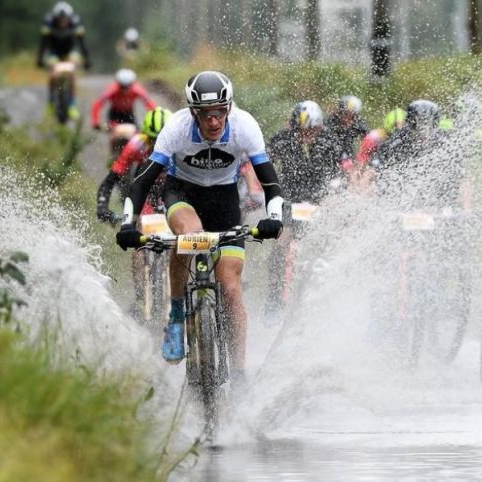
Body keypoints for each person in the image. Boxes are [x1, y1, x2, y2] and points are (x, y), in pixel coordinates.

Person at [115, 71, 284, 377]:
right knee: (190, 237)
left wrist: (275, 218)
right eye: (206, 114)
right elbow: (142, 183)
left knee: (231, 289)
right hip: (183, 193)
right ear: (193, 112)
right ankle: (177, 317)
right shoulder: (176, 128)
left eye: (220, 112)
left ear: (229, 108)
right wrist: (129, 223)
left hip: (224, 200)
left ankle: (239, 375)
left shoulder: (245, 126)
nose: (214, 121)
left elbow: (271, 184)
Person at [262, 101, 343, 317]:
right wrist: (263, 190)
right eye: (300, 131)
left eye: (310, 131)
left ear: (319, 127)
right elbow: (263, 163)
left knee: (330, 247)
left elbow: (348, 170)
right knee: (280, 245)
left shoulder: (331, 141)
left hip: (321, 201)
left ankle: (331, 297)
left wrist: (339, 195)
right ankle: (274, 297)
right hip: (289, 201)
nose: (305, 135)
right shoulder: (282, 139)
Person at [96, 107, 172, 224]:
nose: (157, 145)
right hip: (147, 185)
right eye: (152, 140)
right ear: (145, 135)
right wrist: (102, 206)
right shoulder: (136, 145)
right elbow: (110, 180)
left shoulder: (181, 146)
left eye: (163, 140)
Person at [36, 1, 91, 120]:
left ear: (69, 18)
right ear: (56, 18)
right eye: (60, 19)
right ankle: (51, 103)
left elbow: (82, 44)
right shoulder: (48, 23)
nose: (63, 22)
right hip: (53, 52)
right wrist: (39, 59)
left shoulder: (76, 23)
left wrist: (87, 59)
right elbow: (43, 44)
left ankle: (72, 105)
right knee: (53, 75)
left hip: (70, 52)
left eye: (65, 19)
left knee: (71, 74)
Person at [326, 95, 369, 167]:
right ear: (340, 112)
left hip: (348, 150)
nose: (349, 119)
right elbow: (334, 146)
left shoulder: (358, 123)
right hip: (331, 154)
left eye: (353, 115)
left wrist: (364, 156)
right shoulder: (331, 123)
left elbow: (369, 137)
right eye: (346, 114)